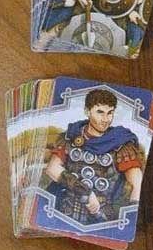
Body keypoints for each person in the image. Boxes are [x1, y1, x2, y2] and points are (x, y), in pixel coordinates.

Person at [42, 87, 144, 224]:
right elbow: (52, 169)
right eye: (100, 112)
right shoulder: (71, 136)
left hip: (101, 217)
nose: (106, 119)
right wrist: (86, 193)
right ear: (87, 111)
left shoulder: (120, 142)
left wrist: (131, 220)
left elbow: (137, 184)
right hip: (65, 209)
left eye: (110, 113)